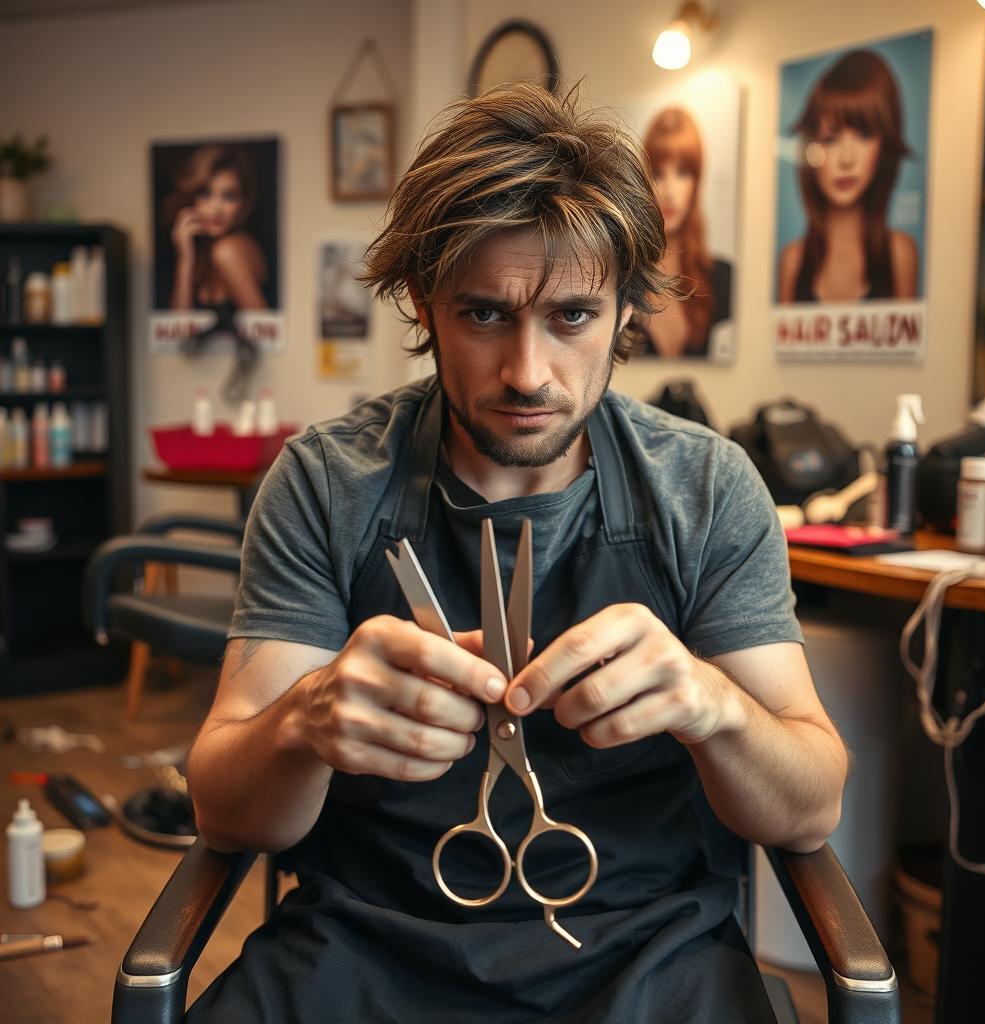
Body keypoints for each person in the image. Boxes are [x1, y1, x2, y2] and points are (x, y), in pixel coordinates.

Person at [184, 82, 847, 1024]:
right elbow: (223, 812)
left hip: (648, 958)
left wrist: (713, 707)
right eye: (485, 314)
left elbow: (810, 806)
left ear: (626, 310)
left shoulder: (705, 491)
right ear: (424, 300)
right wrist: (303, 721)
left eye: (572, 316)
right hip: (365, 948)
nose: (528, 373)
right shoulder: (328, 484)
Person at [778, 49, 918, 304]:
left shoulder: (900, 255)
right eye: (831, 139)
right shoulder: (793, 262)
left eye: (864, 136)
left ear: (883, 145)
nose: (846, 159)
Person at [632, 105, 732, 358]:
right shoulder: (621, 279)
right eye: (657, 174)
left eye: (682, 172)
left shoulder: (723, 279)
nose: (669, 191)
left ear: (697, 181)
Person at [163, 144, 268, 311]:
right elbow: (176, 330)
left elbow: (266, 333)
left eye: (229, 196)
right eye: (205, 194)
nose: (216, 209)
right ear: (192, 198)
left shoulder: (228, 250)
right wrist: (185, 258)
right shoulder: (202, 253)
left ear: (243, 203)